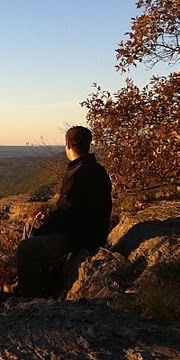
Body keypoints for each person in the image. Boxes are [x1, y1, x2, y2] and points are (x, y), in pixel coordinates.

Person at [15, 126, 112, 297]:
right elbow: (77, 209)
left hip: (82, 237)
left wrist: (49, 220)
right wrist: (50, 217)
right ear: (88, 144)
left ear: (67, 144)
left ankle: (30, 297)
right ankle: (32, 280)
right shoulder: (98, 170)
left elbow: (68, 215)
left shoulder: (77, 173)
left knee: (25, 248)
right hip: (94, 231)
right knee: (32, 226)